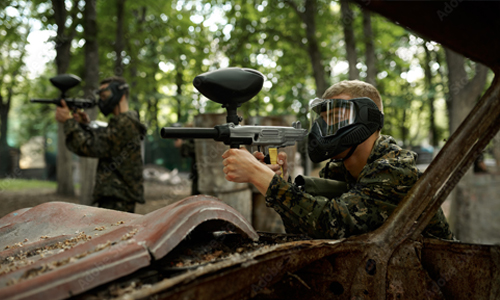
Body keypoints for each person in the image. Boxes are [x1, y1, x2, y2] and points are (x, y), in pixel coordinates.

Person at [221, 80, 454, 240]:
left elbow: (333, 224)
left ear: (367, 118)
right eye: (322, 119)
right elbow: (309, 231)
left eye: (335, 117)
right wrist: (280, 182)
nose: (324, 128)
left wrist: (261, 177)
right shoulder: (337, 169)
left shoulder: (394, 169)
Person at [55, 76, 147, 213]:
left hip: (118, 199)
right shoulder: (124, 121)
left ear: (119, 95)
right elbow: (107, 141)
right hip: (116, 196)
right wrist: (85, 125)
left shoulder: (125, 123)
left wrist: (69, 121)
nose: (101, 101)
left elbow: (89, 146)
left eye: (104, 95)